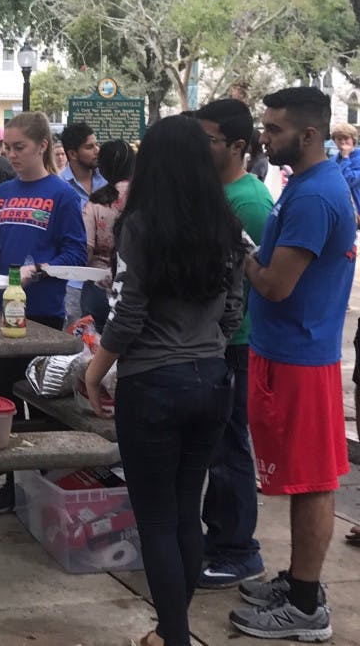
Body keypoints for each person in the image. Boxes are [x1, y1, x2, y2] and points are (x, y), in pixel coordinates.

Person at [84, 115, 246, 646]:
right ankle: (171, 630)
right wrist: (209, 349)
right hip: (212, 380)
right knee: (185, 513)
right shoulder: (225, 224)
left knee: (154, 519)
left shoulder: (144, 224)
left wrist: (94, 369)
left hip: (153, 384)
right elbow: (233, 310)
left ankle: (172, 637)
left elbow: (128, 314)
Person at [229, 87, 355, 642]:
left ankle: (305, 605)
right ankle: (299, 580)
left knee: (310, 482)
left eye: (274, 129)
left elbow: (277, 284)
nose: (265, 136)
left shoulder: (313, 196)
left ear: (308, 135)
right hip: (286, 352)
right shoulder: (303, 186)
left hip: (302, 358)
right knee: (302, 479)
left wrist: (243, 254)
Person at [0, 111, 86, 514]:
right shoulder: (2, 193)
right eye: (7, 148)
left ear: (42, 146)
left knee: (41, 402)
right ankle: (11, 482)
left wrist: (36, 269)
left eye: (19, 147)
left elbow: (76, 253)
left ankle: (43, 483)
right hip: (0, 308)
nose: (11, 155)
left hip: (42, 313)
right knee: (6, 398)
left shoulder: (63, 195)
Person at [192, 99, 274, 591]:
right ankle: (218, 535)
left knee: (229, 447)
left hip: (238, 342)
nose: (201, 149)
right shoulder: (216, 193)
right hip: (214, 340)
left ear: (239, 146)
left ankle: (238, 550)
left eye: (209, 140)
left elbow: (266, 280)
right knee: (214, 445)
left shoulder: (249, 202)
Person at [80, 140, 134, 332]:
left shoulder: (95, 202)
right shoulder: (146, 197)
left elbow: (86, 249)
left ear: (102, 169)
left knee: (94, 346)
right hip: (136, 286)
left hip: (98, 286)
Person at [59, 122, 107, 323]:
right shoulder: (60, 187)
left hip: (106, 280)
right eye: (89, 147)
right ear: (72, 154)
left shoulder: (108, 182)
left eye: (97, 145)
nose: (97, 151)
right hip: (73, 283)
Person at [331, 121, 360, 221]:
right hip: (339, 209)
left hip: (356, 210)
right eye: (339, 139)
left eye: (346, 138)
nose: (343, 142)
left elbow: (349, 181)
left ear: (353, 140)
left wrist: (345, 157)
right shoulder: (333, 160)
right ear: (334, 141)